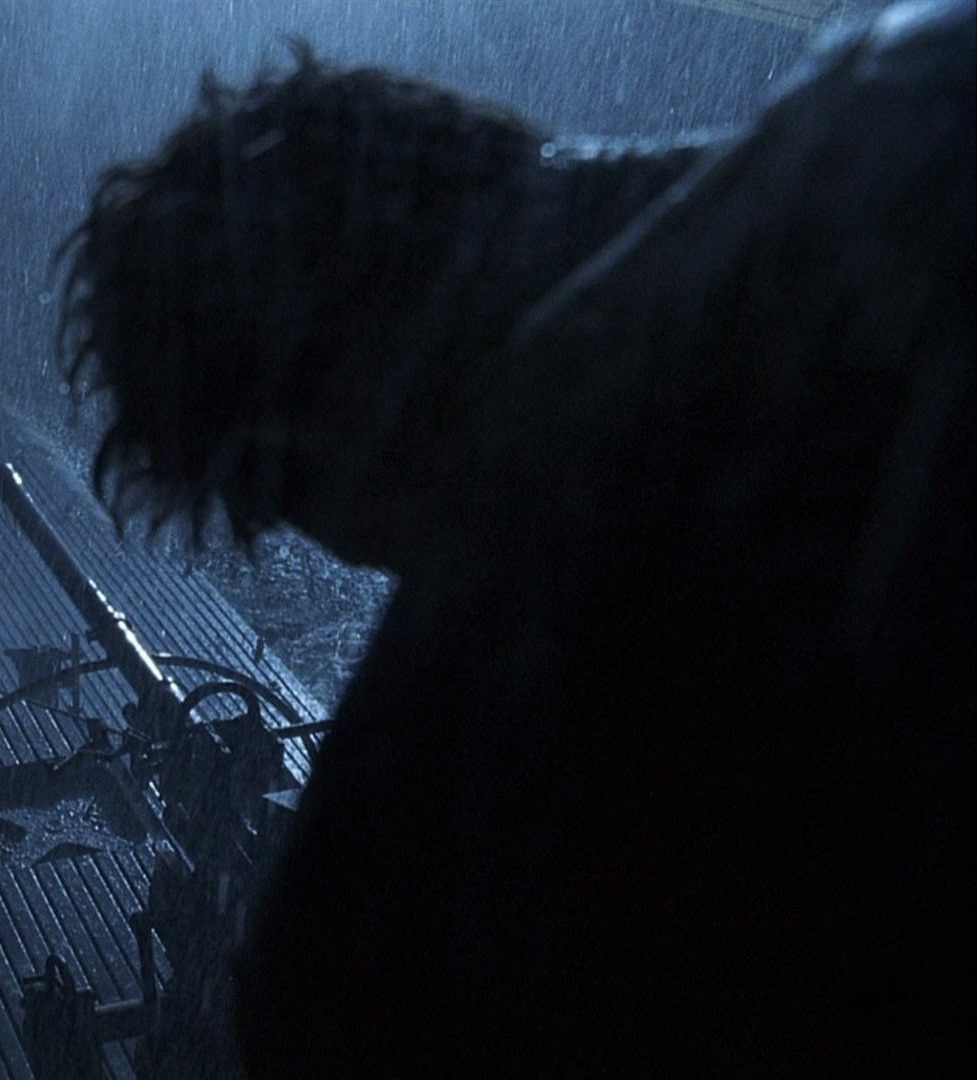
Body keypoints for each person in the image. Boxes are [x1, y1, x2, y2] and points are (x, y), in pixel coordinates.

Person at [56, 1, 972, 1073]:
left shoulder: (385, 892)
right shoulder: (906, 91)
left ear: (298, 439)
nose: (358, 558)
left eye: (283, 503)